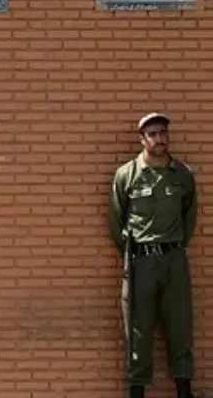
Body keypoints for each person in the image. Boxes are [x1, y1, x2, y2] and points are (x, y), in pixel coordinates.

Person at [108, 112, 198, 398]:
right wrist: (133, 252)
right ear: (142, 139)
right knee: (138, 328)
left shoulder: (182, 174)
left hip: (173, 260)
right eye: (153, 134)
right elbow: (116, 220)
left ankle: (184, 390)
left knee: (180, 325)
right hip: (140, 262)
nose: (160, 138)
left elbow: (189, 217)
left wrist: (172, 246)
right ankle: (137, 391)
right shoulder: (127, 175)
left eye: (163, 132)